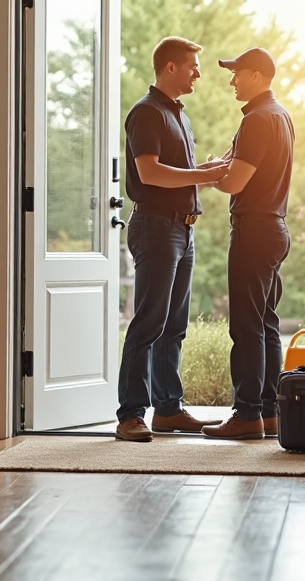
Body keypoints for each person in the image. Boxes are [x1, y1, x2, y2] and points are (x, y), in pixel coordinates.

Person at [115, 36, 231, 443]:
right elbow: (150, 174)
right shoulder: (146, 113)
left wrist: (207, 169)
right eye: (192, 66)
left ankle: (167, 410)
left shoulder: (178, 115)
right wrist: (206, 175)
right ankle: (130, 415)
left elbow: (175, 174)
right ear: (170, 68)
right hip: (157, 228)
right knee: (148, 323)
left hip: (183, 228)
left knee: (173, 326)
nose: (198, 73)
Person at [202, 47, 296, 440]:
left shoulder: (258, 120)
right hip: (274, 228)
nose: (232, 80)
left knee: (246, 326)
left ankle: (245, 416)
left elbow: (235, 183)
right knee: (265, 323)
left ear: (256, 75)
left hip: (253, 230)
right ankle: (270, 412)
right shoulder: (281, 116)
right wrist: (222, 167)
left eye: (237, 73)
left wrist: (209, 176)